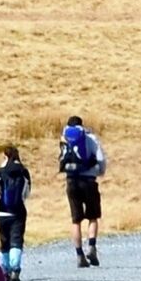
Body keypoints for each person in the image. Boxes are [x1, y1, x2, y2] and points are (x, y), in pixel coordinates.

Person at [57, 114, 107, 267]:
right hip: (89, 181)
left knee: (76, 220)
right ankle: (91, 247)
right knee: (93, 216)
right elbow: (100, 160)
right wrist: (98, 172)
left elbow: (61, 160)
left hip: (71, 181)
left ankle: (79, 255)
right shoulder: (90, 138)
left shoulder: (64, 139)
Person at [0, 141, 34, 280]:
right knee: (16, 239)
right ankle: (15, 268)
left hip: (1, 212)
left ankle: (5, 269)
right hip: (18, 211)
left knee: (4, 241)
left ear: (5, 156)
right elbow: (27, 191)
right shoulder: (24, 171)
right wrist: (21, 200)